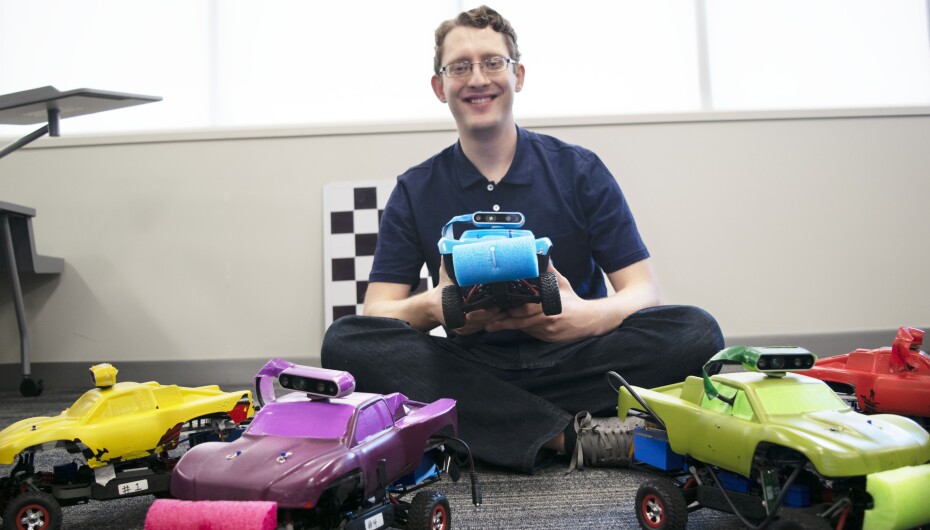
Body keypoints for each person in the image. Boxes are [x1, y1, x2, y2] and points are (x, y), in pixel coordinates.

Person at [321, 5, 723, 474]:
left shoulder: (579, 170)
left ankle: (485, 421)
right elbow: (378, 311)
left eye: (493, 62)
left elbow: (644, 291)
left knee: (697, 331)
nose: (477, 78)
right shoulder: (416, 188)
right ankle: (569, 436)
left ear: (518, 75)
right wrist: (436, 306)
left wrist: (585, 317)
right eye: (459, 67)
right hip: (471, 364)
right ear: (439, 86)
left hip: (573, 360)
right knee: (344, 342)